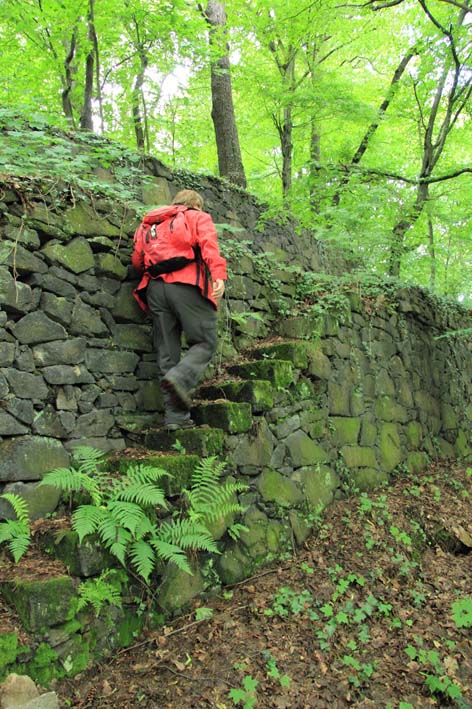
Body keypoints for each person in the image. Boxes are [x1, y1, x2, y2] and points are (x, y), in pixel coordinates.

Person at [131, 189, 227, 430]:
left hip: (154, 289)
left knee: (167, 353)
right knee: (205, 342)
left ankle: (176, 419)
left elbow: (137, 260)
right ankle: (179, 378)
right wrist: (218, 275)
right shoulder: (196, 217)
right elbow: (208, 246)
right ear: (196, 204)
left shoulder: (149, 224)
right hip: (186, 286)